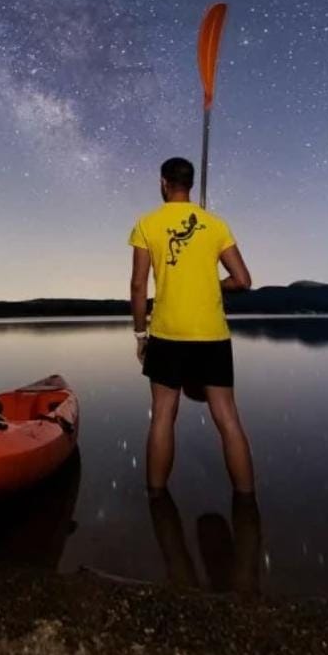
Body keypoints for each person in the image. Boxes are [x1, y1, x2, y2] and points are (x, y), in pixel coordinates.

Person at [128, 156, 255, 497]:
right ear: (191, 183)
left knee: (163, 417)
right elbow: (242, 280)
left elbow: (138, 286)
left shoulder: (146, 224)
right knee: (228, 420)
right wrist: (214, 284)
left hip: (167, 334)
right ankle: (246, 501)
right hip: (212, 335)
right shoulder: (215, 224)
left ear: (163, 182)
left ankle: (156, 497)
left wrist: (141, 334)